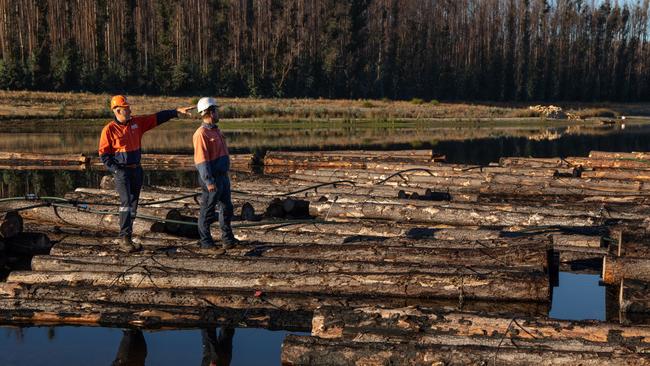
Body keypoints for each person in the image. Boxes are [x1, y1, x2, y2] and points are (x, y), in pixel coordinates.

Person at [99, 95, 193, 252]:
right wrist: (117, 170)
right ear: (117, 110)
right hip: (122, 171)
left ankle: (128, 236)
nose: (130, 110)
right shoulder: (109, 130)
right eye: (126, 108)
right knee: (126, 205)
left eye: (129, 107)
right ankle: (124, 238)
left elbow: (156, 118)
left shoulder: (137, 123)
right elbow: (104, 155)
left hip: (136, 170)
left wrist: (175, 112)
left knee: (133, 204)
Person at [193, 97, 238, 249]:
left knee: (227, 208)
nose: (218, 113)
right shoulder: (201, 134)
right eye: (216, 110)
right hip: (212, 180)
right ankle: (206, 242)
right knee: (207, 211)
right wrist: (209, 181)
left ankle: (227, 239)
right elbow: (201, 161)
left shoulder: (216, 131)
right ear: (210, 112)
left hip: (222, 177)